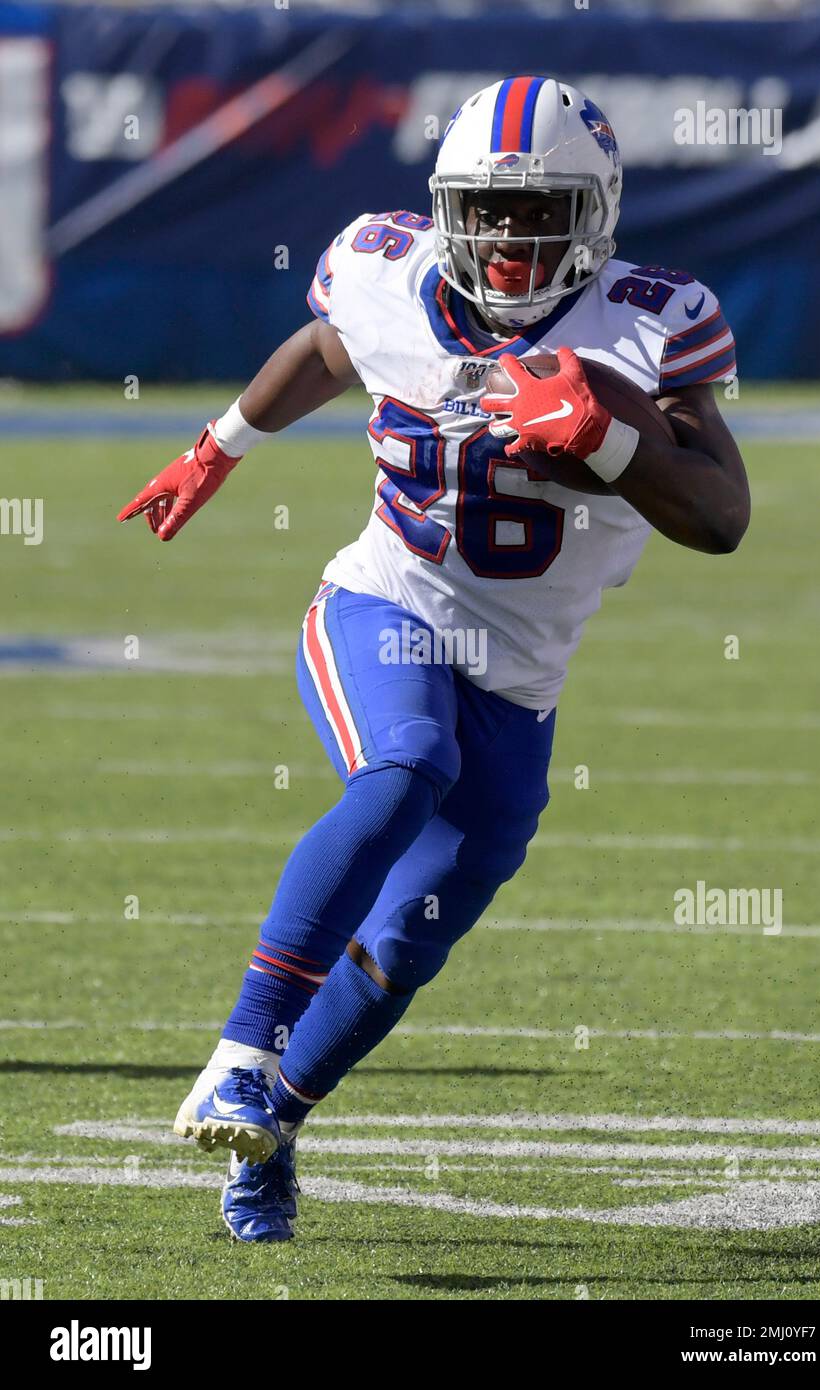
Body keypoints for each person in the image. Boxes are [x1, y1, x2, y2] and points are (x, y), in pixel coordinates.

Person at [118, 76, 749, 1242]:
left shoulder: (650, 321)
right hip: (383, 601)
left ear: (595, 211)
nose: (506, 238)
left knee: (410, 938)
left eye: (538, 210)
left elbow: (718, 516)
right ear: (444, 203)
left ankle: (274, 1129)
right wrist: (219, 446)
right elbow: (327, 345)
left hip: (520, 673)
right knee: (404, 760)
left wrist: (609, 437)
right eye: (485, 209)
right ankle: (237, 1052)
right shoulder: (380, 267)